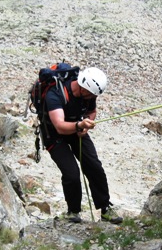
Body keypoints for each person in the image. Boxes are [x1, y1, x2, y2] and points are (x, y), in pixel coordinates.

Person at [43, 66, 123, 224]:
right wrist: (79, 125)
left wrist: (86, 125)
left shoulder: (88, 93)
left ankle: (105, 207)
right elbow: (59, 125)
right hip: (54, 135)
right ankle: (73, 212)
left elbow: (92, 111)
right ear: (82, 87)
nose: (92, 97)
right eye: (91, 94)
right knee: (71, 172)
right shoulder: (56, 95)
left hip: (77, 129)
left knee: (94, 165)